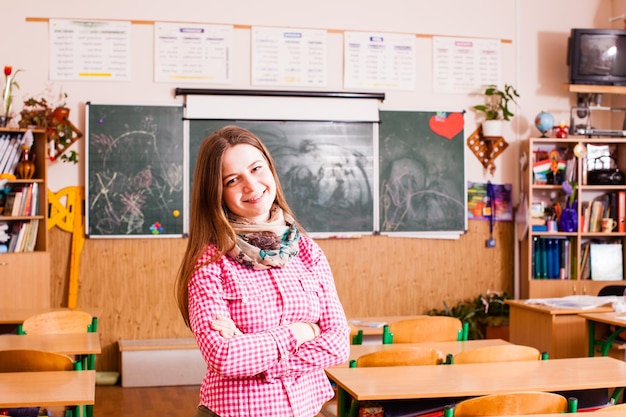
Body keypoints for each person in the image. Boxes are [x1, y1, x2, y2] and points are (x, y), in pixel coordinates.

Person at [175, 125, 351, 417]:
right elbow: (225, 357)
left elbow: (337, 344)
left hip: (307, 409)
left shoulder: (306, 251)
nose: (251, 185)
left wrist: (255, 352)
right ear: (217, 193)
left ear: (270, 168)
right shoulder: (209, 263)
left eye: (256, 168)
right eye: (233, 180)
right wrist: (302, 331)